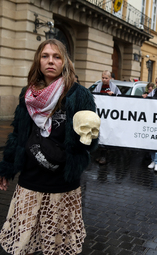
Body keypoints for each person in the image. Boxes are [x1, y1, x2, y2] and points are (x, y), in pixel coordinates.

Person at [0, 39, 98, 254]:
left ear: (65, 62)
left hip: (61, 181)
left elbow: (91, 139)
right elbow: (17, 134)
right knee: (25, 238)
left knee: (57, 242)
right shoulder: (28, 94)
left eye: (57, 56)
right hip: (30, 179)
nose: (50, 61)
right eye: (45, 56)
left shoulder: (79, 95)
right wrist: (6, 168)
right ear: (38, 60)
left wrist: (84, 140)